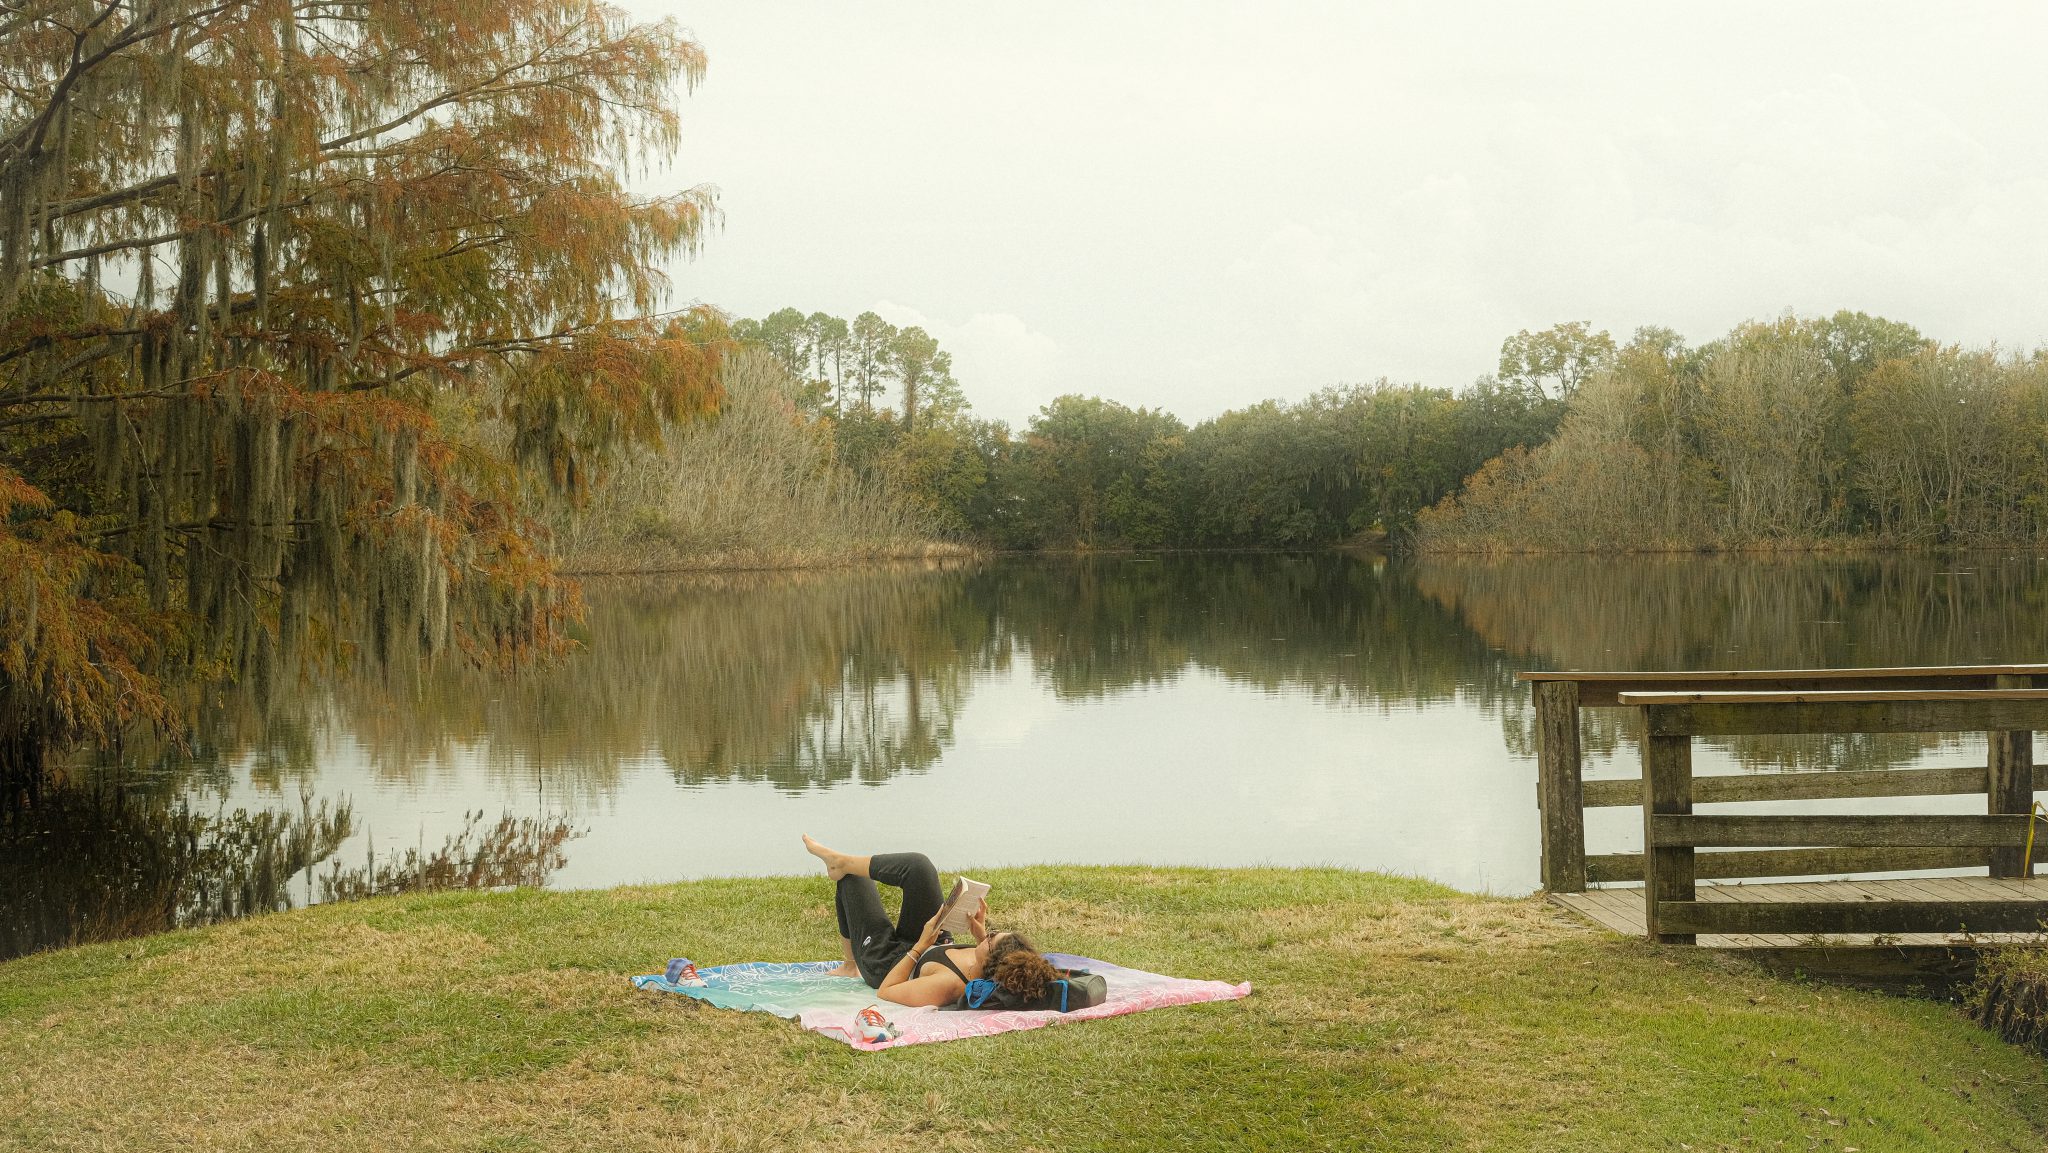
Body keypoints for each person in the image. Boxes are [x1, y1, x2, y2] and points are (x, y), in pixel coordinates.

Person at [802, 834, 1059, 1008]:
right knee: (919, 867)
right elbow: (992, 955)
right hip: (931, 941)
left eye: (991, 939)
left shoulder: (949, 984)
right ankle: (841, 862)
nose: (988, 934)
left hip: (887, 962)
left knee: (852, 879)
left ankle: (850, 966)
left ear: (992, 961)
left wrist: (920, 946)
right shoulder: (986, 961)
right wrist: (979, 934)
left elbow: (887, 991)